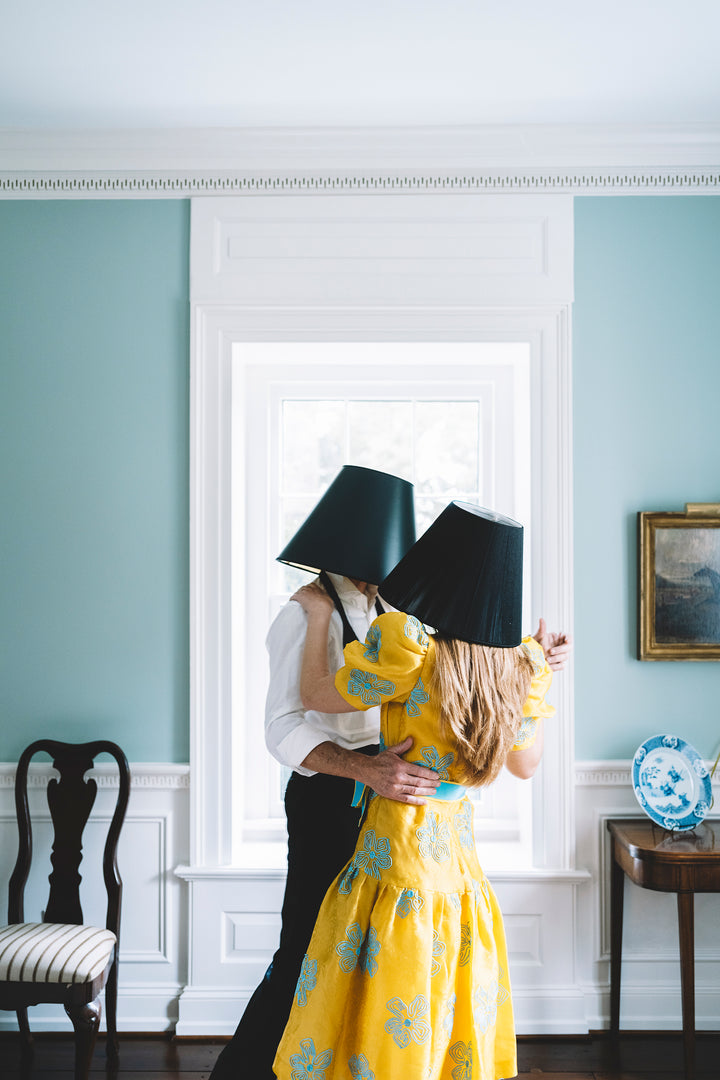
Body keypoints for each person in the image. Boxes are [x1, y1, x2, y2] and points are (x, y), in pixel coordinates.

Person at [273, 501, 558, 1080]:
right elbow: (526, 765)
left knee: (384, 977)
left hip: (397, 839)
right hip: (457, 853)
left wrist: (320, 615)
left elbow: (315, 695)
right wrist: (534, 669)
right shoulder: (517, 666)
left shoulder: (409, 648)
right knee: (442, 973)